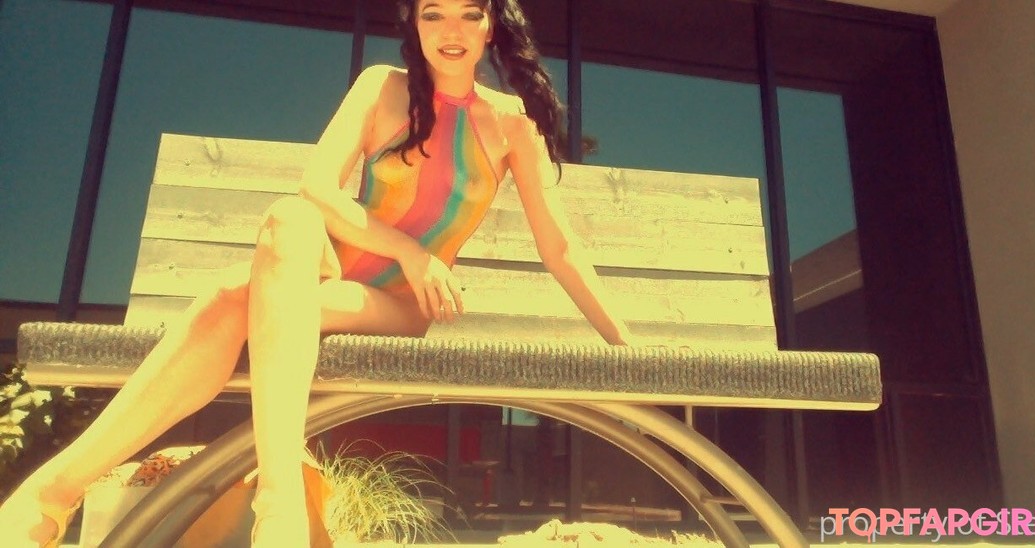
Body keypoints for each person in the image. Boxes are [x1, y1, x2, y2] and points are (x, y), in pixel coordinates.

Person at [0, 0, 632, 545]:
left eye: (469, 13)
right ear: (413, 23)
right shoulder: (381, 87)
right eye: (433, 13)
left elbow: (561, 249)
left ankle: (51, 496)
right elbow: (317, 187)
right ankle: (280, 508)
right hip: (328, 273)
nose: (451, 30)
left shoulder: (512, 123)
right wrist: (411, 250)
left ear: (491, 25)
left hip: (398, 304)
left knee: (230, 296)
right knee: (288, 218)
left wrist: (628, 353)